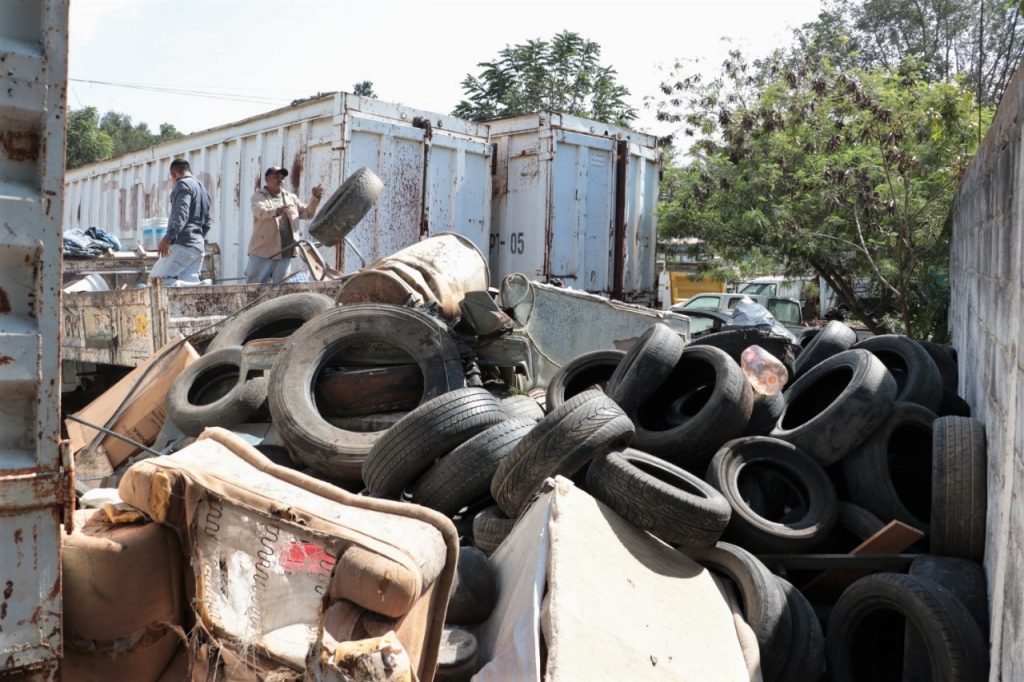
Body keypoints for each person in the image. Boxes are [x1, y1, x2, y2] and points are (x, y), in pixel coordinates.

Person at [246, 166, 324, 284]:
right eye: (276, 177)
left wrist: (315, 198)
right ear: (267, 179)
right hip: (263, 253)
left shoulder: (290, 197)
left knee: (280, 291)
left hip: (285, 252)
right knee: (254, 289)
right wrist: (276, 211)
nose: (280, 180)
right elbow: (260, 212)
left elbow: (308, 213)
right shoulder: (258, 196)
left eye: (282, 178)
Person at [149, 158, 211, 286]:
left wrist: (167, 238)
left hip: (183, 244)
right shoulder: (203, 190)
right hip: (198, 247)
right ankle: (198, 286)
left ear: (173, 174)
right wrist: (197, 238)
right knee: (188, 288)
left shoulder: (182, 185)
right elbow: (208, 221)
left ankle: (199, 286)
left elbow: (181, 214)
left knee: (157, 281)